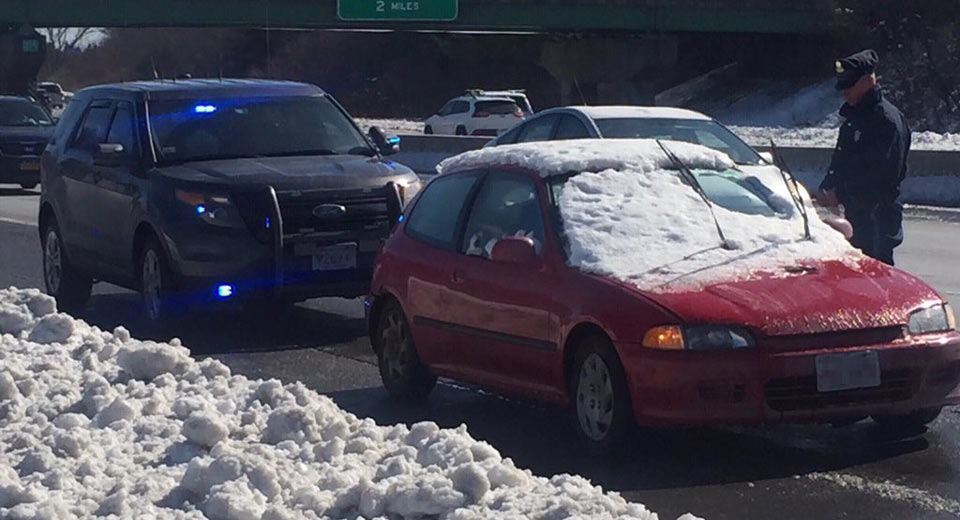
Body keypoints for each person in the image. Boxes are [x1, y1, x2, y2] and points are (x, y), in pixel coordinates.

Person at [816, 49, 911, 265]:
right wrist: (828, 185)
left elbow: (882, 176)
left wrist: (839, 192)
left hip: (877, 218)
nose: (844, 92)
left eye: (849, 85)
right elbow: (842, 160)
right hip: (857, 217)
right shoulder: (856, 116)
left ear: (868, 80)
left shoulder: (885, 120)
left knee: (877, 283)